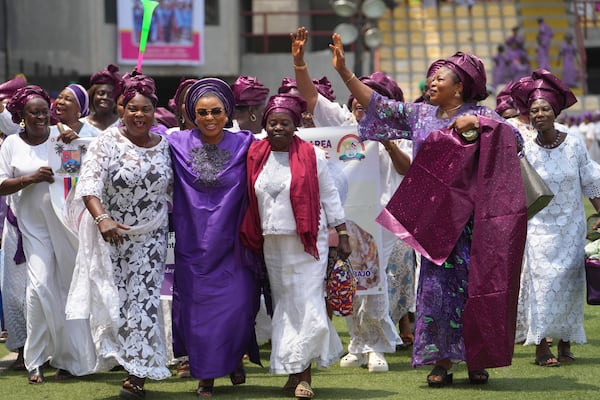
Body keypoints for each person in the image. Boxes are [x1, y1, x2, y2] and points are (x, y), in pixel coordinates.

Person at [330, 34, 527, 387]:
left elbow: (515, 140)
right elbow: (377, 105)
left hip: (472, 224)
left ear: (461, 86)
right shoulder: (420, 115)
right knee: (435, 291)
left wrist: (480, 125)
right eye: (430, 76)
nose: (431, 82)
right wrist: (345, 72)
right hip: (434, 223)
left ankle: (476, 360)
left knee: (473, 289)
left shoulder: (483, 115)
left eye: (440, 78)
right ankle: (442, 361)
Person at [290, 27, 413, 371]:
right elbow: (312, 99)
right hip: (349, 216)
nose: (360, 103)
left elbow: (406, 169)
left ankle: (377, 345)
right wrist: (300, 64)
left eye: (369, 98)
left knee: (374, 279)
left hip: (387, 217)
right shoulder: (346, 123)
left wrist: (387, 141)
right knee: (349, 278)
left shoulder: (401, 131)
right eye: (358, 98)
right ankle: (357, 342)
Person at [240, 92, 350, 399]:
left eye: (284, 123)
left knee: (307, 304)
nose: (278, 128)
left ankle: (305, 376)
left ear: (295, 125)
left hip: (307, 243)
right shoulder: (255, 154)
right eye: (272, 123)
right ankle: (292, 370)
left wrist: (342, 233)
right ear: (266, 124)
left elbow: (329, 195)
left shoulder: (312, 155)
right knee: (286, 308)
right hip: (272, 244)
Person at [70, 72, 173, 399]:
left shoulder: (166, 145)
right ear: (121, 109)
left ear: (154, 111)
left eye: (145, 109)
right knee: (114, 304)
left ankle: (136, 376)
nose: (139, 115)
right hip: (111, 236)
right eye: (132, 108)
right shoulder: (106, 142)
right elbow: (88, 185)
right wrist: (102, 219)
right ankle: (123, 358)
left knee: (142, 303)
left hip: (151, 238)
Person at [166, 78, 262, 398]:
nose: (209, 118)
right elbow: (136, 138)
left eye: (216, 111)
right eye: (202, 112)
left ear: (228, 111)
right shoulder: (176, 143)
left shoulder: (246, 142)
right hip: (194, 246)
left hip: (235, 244)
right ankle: (206, 375)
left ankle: (233, 358)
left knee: (238, 305)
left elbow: (285, 138)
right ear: (192, 113)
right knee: (198, 313)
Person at [0, 85, 97, 384]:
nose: (41, 117)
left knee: (70, 290)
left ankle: (71, 359)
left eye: (45, 111)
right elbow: (2, 185)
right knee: (39, 287)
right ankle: (36, 360)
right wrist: (29, 179)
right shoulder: (12, 144)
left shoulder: (62, 136)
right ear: (22, 116)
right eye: (34, 112)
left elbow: (76, 173)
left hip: (65, 224)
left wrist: (75, 141)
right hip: (32, 228)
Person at [512, 69, 600, 367]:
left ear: (555, 111)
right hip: (539, 229)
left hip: (572, 227)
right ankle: (540, 347)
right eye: (534, 110)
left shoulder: (574, 143)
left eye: (545, 109)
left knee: (570, 284)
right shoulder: (526, 149)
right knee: (542, 285)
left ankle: (565, 344)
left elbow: (590, 180)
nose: (539, 114)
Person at [85, 64, 123, 132]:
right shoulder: (81, 125)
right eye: (101, 93)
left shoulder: (125, 125)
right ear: (93, 95)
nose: (105, 97)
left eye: (111, 95)